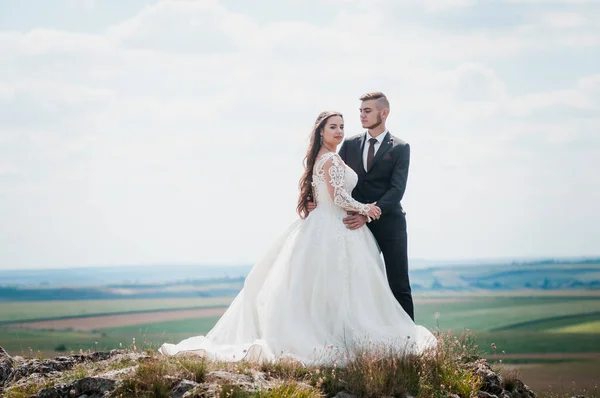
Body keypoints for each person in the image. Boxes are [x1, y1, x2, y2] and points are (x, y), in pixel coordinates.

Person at [158, 111, 435, 364]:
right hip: (335, 226)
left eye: (342, 126)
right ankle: (334, 336)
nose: (339, 131)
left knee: (327, 286)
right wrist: (367, 209)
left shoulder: (323, 157)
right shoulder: (330, 158)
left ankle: (329, 330)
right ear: (321, 132)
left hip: (324, 224)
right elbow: (339, 196)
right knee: (339, 285)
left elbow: (325, 194)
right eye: (333, 127)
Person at [308, 92, 415, 320]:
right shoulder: (348, 144)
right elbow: (335, 182)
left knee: (399, 284)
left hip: (388, 224)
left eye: (367, 111)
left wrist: (367, 214)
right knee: (358, 285)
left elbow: (397, 190)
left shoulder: (400, 147)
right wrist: (314, 200)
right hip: (350, 226)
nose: (362, 115)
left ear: (383, 113)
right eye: (360, 111)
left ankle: (407, 342)